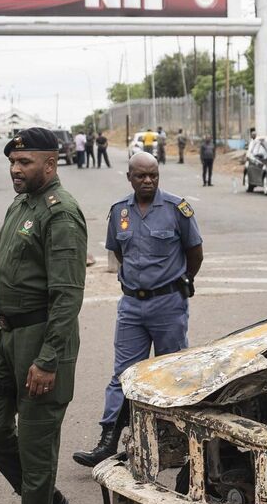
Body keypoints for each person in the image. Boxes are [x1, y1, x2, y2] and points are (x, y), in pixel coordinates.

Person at [0, 127, 87, 504]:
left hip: (41, 338)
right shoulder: (22, 204)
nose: (16, 170)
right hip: (6, 335)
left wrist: (48, 357)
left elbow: (66, 295)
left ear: (51, 164)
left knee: (38, 441)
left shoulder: (61, 214)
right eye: (13, 163)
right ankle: (44, 500)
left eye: (25, 163)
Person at [74, 152, 203, 466]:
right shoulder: (120, 211)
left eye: (154, 175)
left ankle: (174, 441)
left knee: (171, 372)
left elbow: (194, 252)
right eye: (142, 176)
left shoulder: (176, 209)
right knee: (123, 374)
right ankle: (108, 441)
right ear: (130, 177)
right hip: (132, 305)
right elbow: (118, 251)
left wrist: (183, 281)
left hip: (168, 303)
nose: (148, 181)